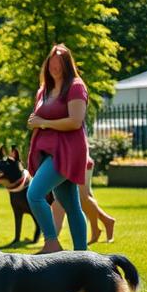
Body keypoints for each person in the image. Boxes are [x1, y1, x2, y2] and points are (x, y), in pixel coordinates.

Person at [26, 44, 90, 253]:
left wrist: (43, 122)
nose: (55, 67)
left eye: (60, 63)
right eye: (52, 63)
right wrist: (35, 122)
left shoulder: (75, 86)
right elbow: (38, 119)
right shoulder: (43, 90)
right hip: (48, 152)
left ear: (67, 64)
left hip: (68, 152)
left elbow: (75, 121)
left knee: (34, 194)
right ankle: (82, 255)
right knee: (72, 206)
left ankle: (51, 243)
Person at [51, 158, 116, 244]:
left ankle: (102, 225)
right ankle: (104, 222)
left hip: (78, 160)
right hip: (70, 161)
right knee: (83, 197)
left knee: (83, 197)